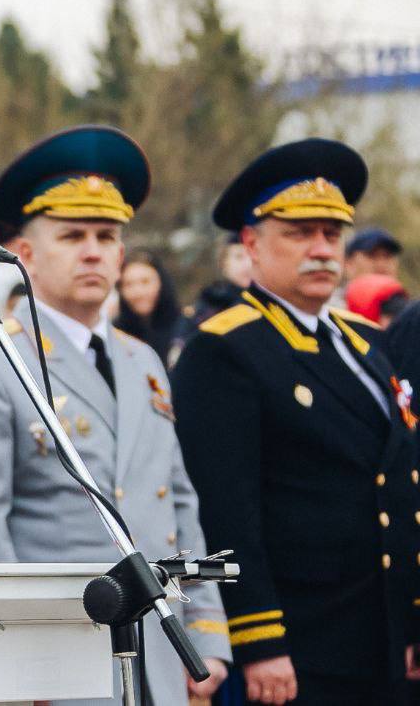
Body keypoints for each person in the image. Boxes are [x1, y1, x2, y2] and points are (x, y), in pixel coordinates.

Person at [0, 125, 231, 706]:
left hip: (163, 652)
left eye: (107, 234)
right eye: (72, 235)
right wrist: (15, 657)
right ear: (24, 254)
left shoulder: (142, 357)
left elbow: (176, 500)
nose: (94, 250)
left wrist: (208, 634)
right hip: (60, 653)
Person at [171, 138, 420, 706]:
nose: (321, 250)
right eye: (299, 233)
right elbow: (226, 505)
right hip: (298, 642)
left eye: (331, 235)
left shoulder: (366, 344)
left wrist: (409, 620)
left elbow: (397, 484)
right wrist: (259, 639)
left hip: (380, 634)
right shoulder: (227, 348)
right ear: (253, 245)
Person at [115, 250, 190, 369]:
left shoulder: (186, 327)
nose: (138, 292)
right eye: (128, 284)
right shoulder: (115, 334)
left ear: (161, 282)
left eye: (145, 282)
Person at [186, 233, 252, 326]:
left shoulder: (270, 302)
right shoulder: (209, 304)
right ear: (223, 263)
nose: (248, 264)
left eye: (251, 255)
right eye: (239, 257)